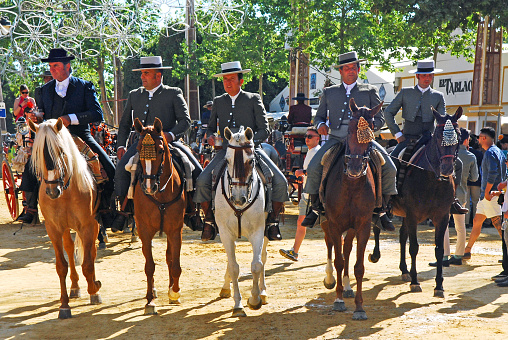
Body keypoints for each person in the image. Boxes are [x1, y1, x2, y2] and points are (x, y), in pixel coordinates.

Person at [302, 51, 397, 231]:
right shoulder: (329, 92)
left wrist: (368, 129)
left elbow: (381, 119)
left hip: (363, 140)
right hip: (336, 138)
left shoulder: (370, 90)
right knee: (314, 166)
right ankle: (315, 208)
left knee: (389, 167)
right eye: (346, 68)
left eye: (353, 67)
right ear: (341, 71)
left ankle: (383, 211)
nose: (350, 71)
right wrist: (321, 124)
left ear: (359, 70)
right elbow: (319, 117)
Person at [195, 61, 288, 241]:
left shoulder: (253, 99)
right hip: (226, 152)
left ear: (241, 81)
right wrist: (211, 136)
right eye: (225, 79)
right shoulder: (218, 101)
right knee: (202, 180)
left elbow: (264, 129)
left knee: (280, 181)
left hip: (251, 151)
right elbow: (210, 127)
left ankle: (273, 222)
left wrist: (250, 142)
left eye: (231, 79)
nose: (228, 82)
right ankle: (208, 221)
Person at [114, 56, 203, 231]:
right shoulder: (134, 95)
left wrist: (170, 135)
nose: (142, 77)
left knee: (195, 169)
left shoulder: (173, 93)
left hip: (168, 143)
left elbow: (185, 121)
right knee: (120, 170)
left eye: (146, 73)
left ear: (158, 76)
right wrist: (121, 146)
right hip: (140, 144)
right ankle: (124, 213)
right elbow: (124, 124)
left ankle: (193, 213)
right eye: (142, 73)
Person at [35, 48, 117, 225]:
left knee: (111, 170)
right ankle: (31, 209)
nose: (52, 69)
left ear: (67, 66)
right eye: (50, 66)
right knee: (30, 168)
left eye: (55, 65)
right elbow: (41, 114)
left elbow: (97, 114)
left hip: (80, 135)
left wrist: (70, 119)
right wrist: (35, 117)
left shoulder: (84, 86)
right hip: (52, 139)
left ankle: (104, 210)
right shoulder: (43, 90)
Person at [384, 59, 468, 215]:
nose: (427, 78)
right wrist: (397, 134)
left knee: (459, 163)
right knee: (392, 160)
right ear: (417, 76)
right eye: (424, 75)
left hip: (429, 139)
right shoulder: (405, 92)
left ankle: (453, 199)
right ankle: (388, 199)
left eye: (430, 75)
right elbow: (388, 112)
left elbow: (441, 119)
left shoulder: (438, 96)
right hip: (406, 138)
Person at [429, 128, 478, 267]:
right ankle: (458, 255)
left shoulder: (444, 154)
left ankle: (444, 256)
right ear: (466, 140)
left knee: (443, 226)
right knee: (460, 227)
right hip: (461, 194)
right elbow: (474, 178)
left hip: (443, 196)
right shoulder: (471, 156)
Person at [463, 127, 507, 260]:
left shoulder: (489, 153)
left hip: (490, 194)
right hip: (491, 194)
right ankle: (467, 250)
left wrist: (488, 191)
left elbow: (493, 173)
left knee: (499, 226)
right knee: (477, 221)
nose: (477, 139)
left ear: (484, 138)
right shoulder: (497, 151)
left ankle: (507, 254)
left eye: (479, 136)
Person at [280, 127, 321, 261]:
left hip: (313, 194)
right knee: (301, 222)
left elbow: (317, 172)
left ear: (317, 138)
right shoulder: (312, 151)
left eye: (310, 136)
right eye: (306, 136)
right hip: (308, 192)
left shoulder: (317, 152)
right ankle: (295, 251)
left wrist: (303, 172)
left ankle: (342, 248)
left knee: (327, 225)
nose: (307, 138)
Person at [467, 134, 483, 227]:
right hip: (476, 181)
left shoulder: (463, 152)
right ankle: (476, 222)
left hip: (465, 180)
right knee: (476, 202)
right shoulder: (479, 154)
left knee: (466, 203)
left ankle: (466, 222)